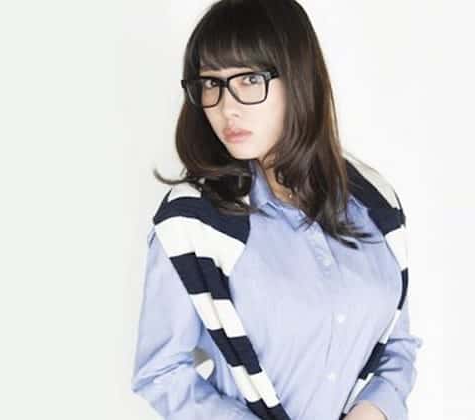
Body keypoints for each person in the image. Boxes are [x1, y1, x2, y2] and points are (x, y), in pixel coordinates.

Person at [130, 1, 423, 419]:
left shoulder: (374, 202)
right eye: (211, 83)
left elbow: (397, 344)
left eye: (250, 79)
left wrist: (373, 411)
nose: (226, 107)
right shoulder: (193, 224)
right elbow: (160, 372)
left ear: (300, 79)